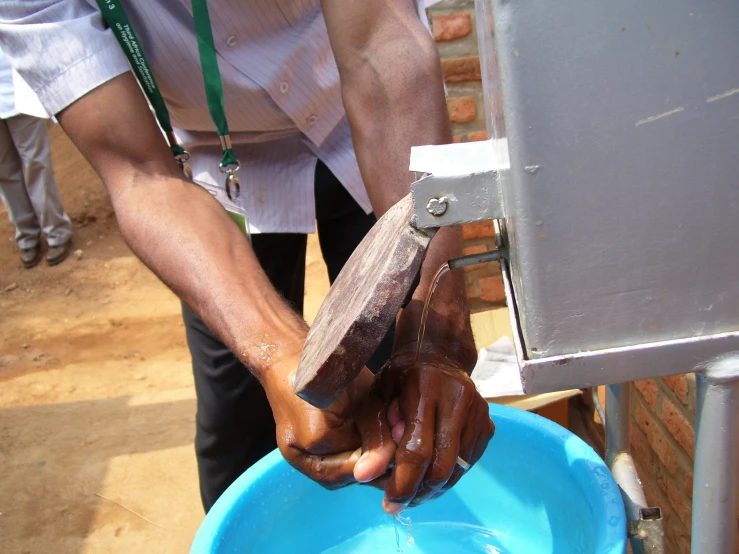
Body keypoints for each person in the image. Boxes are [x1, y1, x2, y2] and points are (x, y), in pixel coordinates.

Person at [0, 0, 494, 514]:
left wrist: (437, 329)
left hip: (362, 127)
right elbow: (140, 173)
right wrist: (276, 352)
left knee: (405, 392)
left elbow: (380, 46)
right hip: (207, 167)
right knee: (237, 409)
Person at [0, 50, 72, 268]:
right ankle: (27, 236)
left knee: (36, 165)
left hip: (18, 93)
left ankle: (56, 233)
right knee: (4, 171)